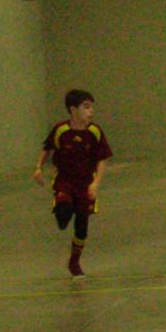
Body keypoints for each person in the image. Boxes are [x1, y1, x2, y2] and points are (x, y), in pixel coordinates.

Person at [32, 89, 113, 277]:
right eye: (86, 107)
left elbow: (102, 159)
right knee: (64, 213)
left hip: (85, 184)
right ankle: (63, 212)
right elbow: (47, 148)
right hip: (65, 182)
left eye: (92, 107)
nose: (91, 111)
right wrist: (38, 168)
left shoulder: (95, 132)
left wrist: (95, 184)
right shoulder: (61, 129)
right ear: (73, 110)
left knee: (81, 228)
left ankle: (74, 262)